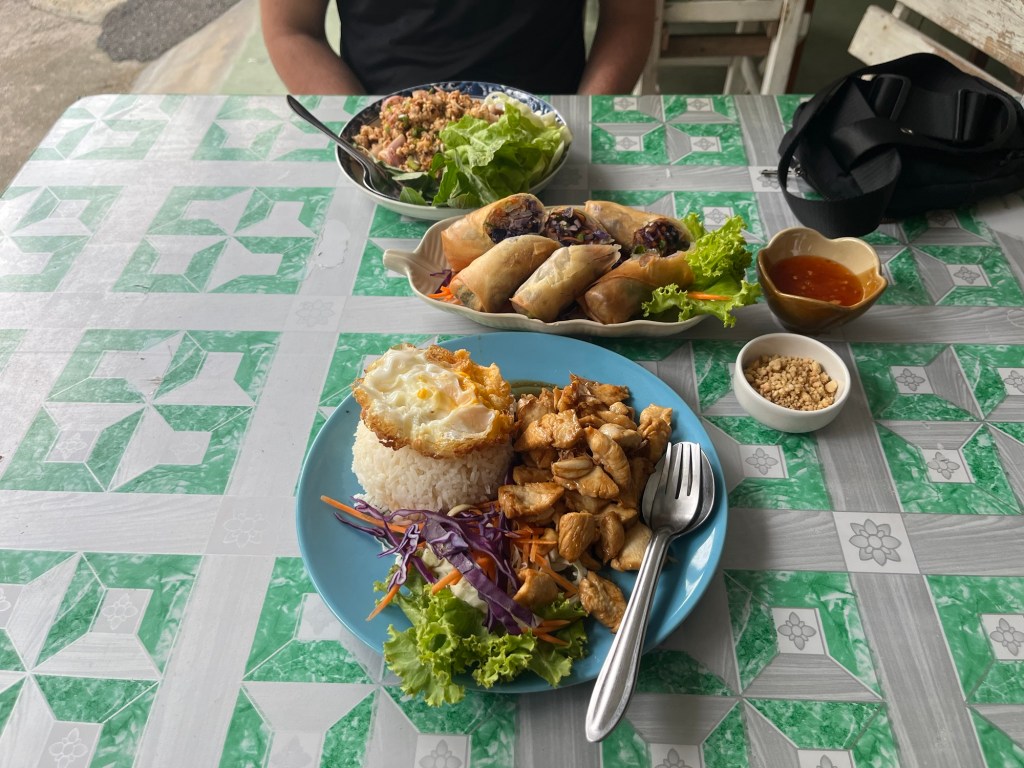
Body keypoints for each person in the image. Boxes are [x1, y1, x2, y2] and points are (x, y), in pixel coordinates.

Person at [260, 0, 656, 96]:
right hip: (381, 125)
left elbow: (628, 17)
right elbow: (292, 30)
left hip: (553, 125)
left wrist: (580, 121)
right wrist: (363, 135)